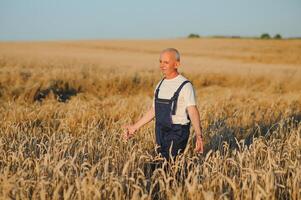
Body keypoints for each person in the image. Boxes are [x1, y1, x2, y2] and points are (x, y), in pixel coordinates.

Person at [123, 48, 203, 160]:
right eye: (160, 62)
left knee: (168, 164)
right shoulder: (160, 85)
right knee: (160, 165)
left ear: (176, 64)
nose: (162, 65)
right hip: (160, 130)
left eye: (166, 62)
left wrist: (199, 135)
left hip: (178, 132)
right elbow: (154, 109)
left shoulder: (185, 85)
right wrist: (134, 127)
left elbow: (192, 110)